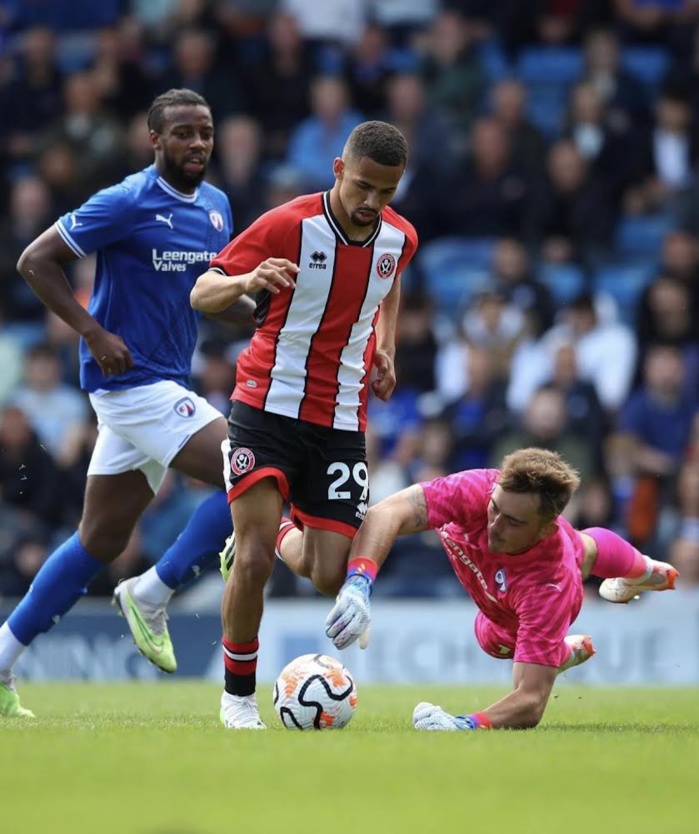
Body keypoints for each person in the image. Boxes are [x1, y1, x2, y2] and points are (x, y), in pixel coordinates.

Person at [0, 89, 249, 718]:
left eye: (206, 133)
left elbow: (215, 295)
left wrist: (266, 304)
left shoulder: (217, 208)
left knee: (100, 537)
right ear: (155, 140)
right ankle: (154, 591)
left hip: (168, 384)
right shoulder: (128, 200)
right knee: (253, 470)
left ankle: (1, 657)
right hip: (131, 383)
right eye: (184, 134)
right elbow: (37, 261)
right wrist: (91, 331)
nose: (198, 144)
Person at [191, 120, 418, 729]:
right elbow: (203, 292)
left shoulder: (400, 238)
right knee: (259, 562)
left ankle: (255, 536)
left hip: (342, 419)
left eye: (386, 192)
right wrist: (247, 279)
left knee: (326, 574)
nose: (372, 202)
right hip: (266, 406)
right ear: (339, 170)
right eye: (364, 186)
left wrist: (386, 347)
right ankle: (238, 698)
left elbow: (388, 285)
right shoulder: (289, 223)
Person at [325, 447, 679, 731]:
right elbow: (386, 513)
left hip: (537, 592)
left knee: (572, 561)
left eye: (512, 522)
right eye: (495, 509)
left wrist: (465, 724)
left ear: (544, 529)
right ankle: (645, 569)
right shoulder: (478, 490)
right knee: (576, 555)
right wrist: (359, 582)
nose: (494, 524)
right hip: (509, 591)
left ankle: (642, 573)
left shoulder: (550, 584)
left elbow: (530, 702)